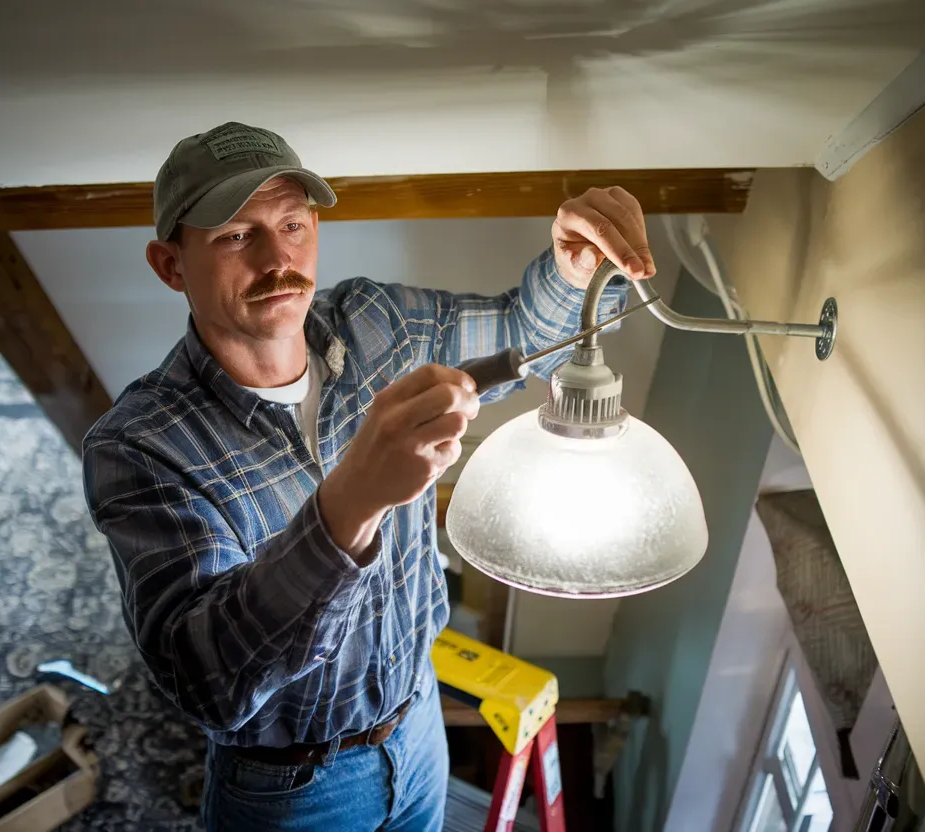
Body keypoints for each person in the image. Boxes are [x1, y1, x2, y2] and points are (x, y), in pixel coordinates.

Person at [82, 122, 656, 832]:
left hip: (418, 730)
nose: (277, 257)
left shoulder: (376, 323)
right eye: (236, 234)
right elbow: (207, 682)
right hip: (293, 790)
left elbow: (519, 334)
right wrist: (348, 506)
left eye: (293, 223)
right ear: (171, 265)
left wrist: (571, 270)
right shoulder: (140, 447)